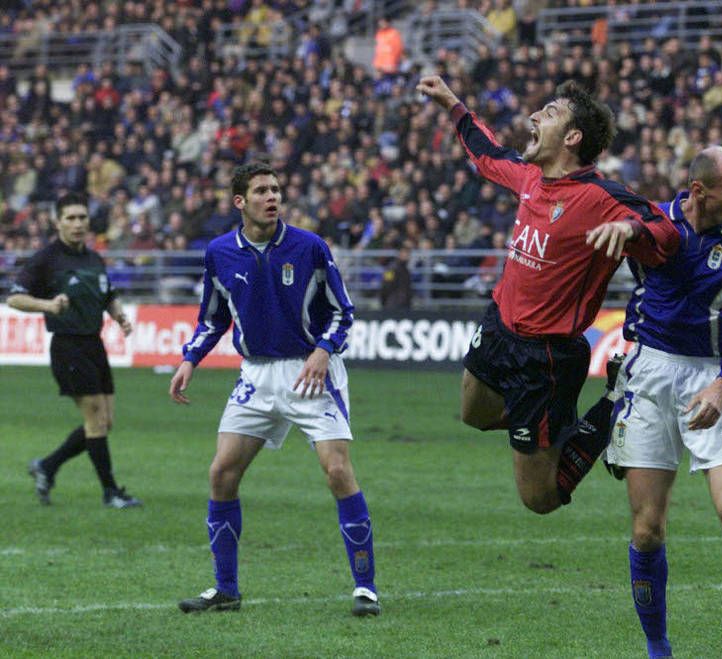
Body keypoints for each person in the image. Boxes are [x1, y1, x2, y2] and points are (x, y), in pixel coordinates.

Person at [416, 75, 679, 514]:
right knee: (473, 414)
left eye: (550, 113)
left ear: (572, 138)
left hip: (547, 359)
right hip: (500, 326)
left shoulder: (602, 197)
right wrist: (453, 104)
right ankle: (546, 430)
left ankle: (612, 405)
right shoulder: (531, 176)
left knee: (540, 499)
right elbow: (486, 155)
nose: (535, 116)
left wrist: (629, 228)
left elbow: (666, 234)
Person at [168, 162, 380, 616]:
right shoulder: (220, 253)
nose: (273, 197)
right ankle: (226, 589)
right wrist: (190, 359)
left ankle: (366, 588)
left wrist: (323, 351)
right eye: (262, 190)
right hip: (256, 375)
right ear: (239, 201)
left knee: (337, 471)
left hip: (310, 372)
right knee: (221, 473)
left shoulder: (310, 247)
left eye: (277, 189)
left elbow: (344, 311)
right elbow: (212, 318)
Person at [604, 147, 722, 658]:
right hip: (651, 373)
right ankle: (659, 648)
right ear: (699, 191)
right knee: (648, 528)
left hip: (713, 374)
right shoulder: (655, 226)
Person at [8, 192, 140, 509]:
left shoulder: (93, 259)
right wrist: (48, 305)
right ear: (57, 222)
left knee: (104, 422)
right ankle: (111, 492)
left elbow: (108, 294)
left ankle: (47, 466)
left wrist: (118, 315)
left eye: (82, 217)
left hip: (94, 344)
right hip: (67, 345)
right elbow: (15, 298)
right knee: (95, 419)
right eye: (71, 218)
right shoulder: (46, 259)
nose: (78, 223)